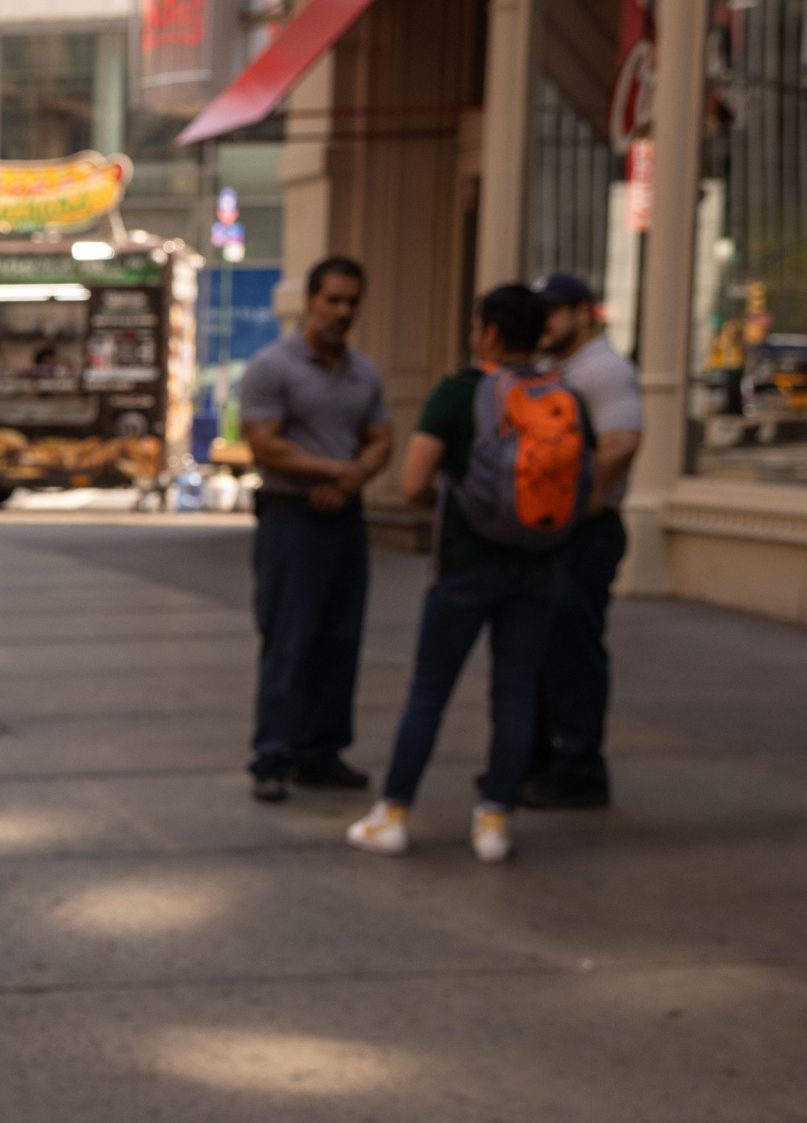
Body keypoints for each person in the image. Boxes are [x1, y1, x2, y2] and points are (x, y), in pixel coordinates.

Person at [347, 283, 590, 866]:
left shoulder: (460, 393)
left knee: (430, 690)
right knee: (514, 694)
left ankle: (394, 813)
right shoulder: (564, 398)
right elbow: (587, 483)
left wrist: (460, 508)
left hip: (465, 565)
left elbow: (411, 483)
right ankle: (494, 822)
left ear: (490, 333)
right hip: (538, 565)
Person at [239, 255, 394, 801]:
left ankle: (321, 752)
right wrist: (335, 470)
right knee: (290, 637)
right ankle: (273, 755)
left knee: (340, 636)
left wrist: (353, 481)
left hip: (344, 517)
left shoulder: (364, 372)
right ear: (310, 301)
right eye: (333, 300)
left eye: (352, 301)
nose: (342, 311)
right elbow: (264, 442)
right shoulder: (272, 366)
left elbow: (381, 437)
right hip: (292, 516)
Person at [526, 271, 642, 810]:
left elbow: (621, 443)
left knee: (573, 652)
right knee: (544, 649)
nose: (544, 321)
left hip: (586, 532)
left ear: (582, 312)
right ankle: (545, 761)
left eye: (553, 311)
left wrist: (580, 499)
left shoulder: (603, 370)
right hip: (556, 532)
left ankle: (580, 767)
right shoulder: (557, 368)